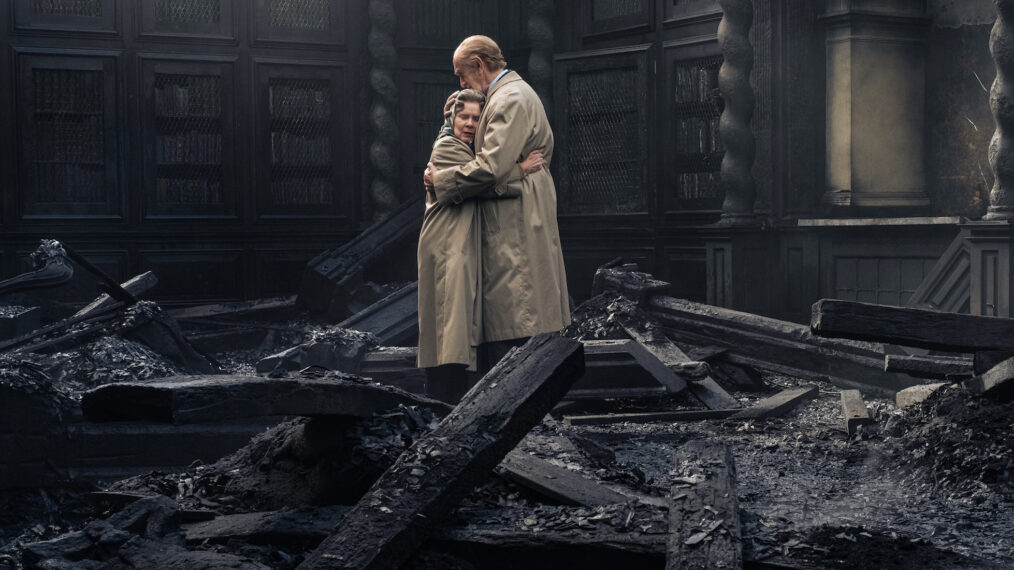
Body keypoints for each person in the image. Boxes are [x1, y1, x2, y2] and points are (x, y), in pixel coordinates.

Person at [424, 35, 571, 372]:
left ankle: (512, 396)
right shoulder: (507, 95)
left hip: (515, 214)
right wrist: (453, 117)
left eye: (462, 74)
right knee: (515, 307)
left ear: (479, 65)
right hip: (516, 206)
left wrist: (440, 181)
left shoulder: (509, 99)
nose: (460, 83)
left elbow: (490, 168)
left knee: (515, 307)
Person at [417, 88, 543, 403]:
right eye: (464, 117)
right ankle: (441, 401)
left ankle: (451, 398)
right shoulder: (448, 147)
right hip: (447, 246)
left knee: (455, 325)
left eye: (477, 117)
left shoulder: (465, 148)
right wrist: (521, 170)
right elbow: (483, 178)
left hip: (458, 245)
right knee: (449, 325)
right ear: (452, 118)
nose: (471, 123)